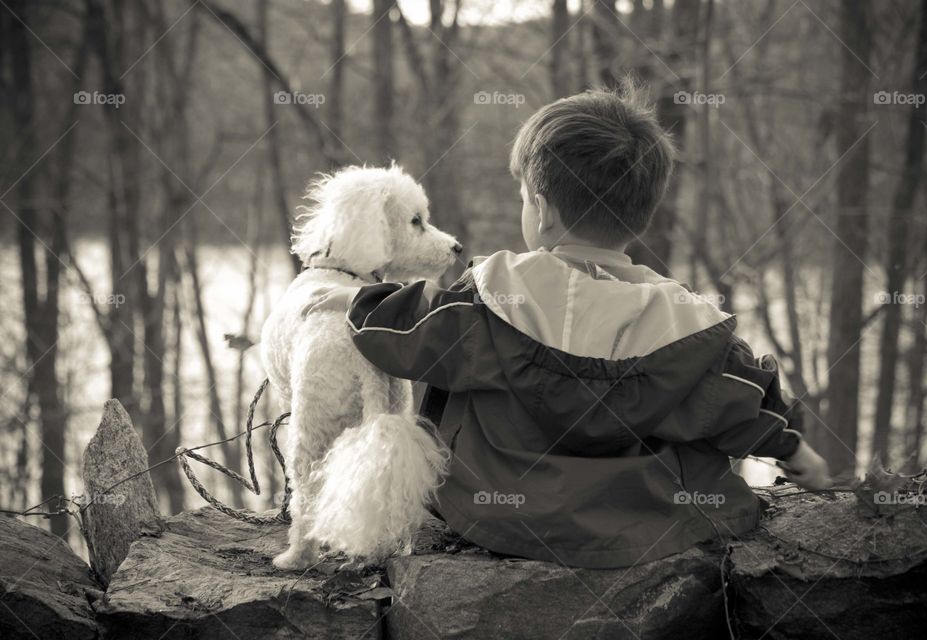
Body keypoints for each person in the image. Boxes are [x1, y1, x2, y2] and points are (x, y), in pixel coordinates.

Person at [311, 83, 831, 569]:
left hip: (500, 515)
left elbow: (405, 336)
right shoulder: (688, 323)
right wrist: (795, 451)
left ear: (540, 210)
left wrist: (357, 299)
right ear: (642, 214)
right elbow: (745, 400)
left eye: (523, 197)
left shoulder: (494, 296)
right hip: (650, 523)